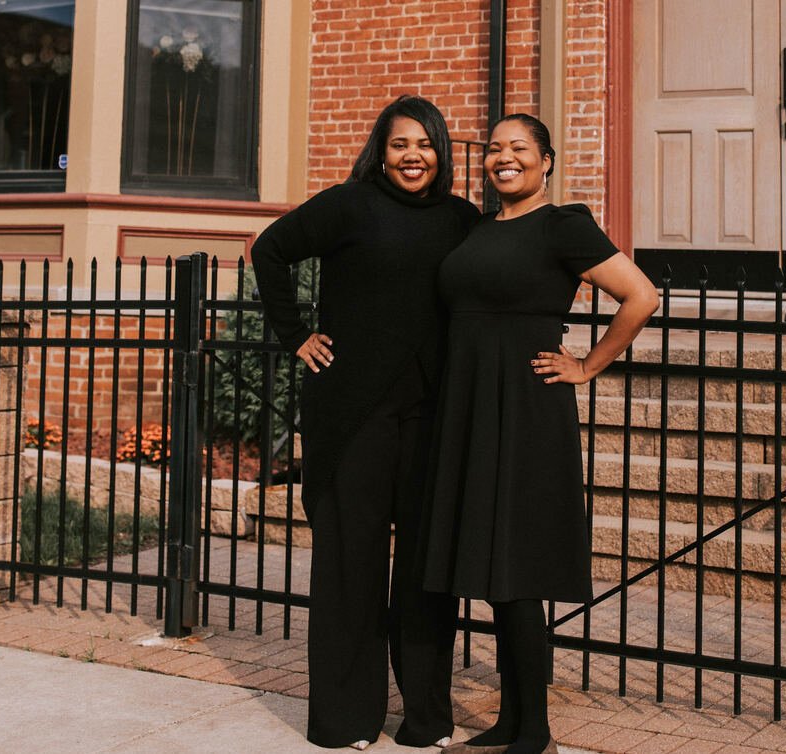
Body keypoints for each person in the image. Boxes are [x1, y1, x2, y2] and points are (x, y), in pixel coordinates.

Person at [423, 114, 659, 754]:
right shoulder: (476, 228)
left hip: (528, 408)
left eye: (519, 148)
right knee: (496, 571)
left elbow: (641, 296)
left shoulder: (563, 225)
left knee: (519, 569)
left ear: (546, 161)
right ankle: (510, 719)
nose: (504, 158)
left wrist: (587, 365)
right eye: (495, 148)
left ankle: (536, 732)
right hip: (469, 404)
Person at [251, 95, 480, 750]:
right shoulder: (348, 204)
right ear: (381, 150)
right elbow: (270, 250)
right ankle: (345, 719)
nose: (414, 156)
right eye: (401, 144)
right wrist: (296, 334)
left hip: (431, 419)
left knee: (425, 574)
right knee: (350, 570)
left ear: (442, 151)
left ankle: (426, 719)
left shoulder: (464, 221)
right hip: (353, 418)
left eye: (426, 144)